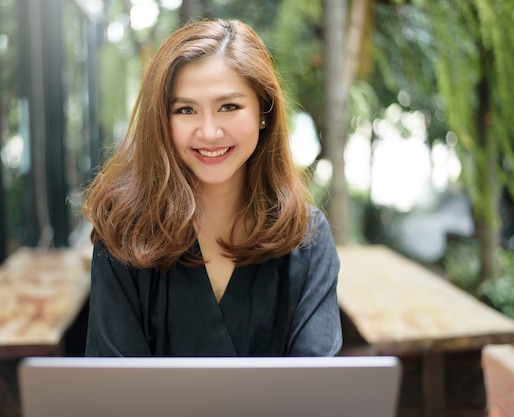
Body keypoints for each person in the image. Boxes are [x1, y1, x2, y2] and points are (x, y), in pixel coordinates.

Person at [81, 18, 342, 357]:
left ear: (264, 111)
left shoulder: (307, 239)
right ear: (162, 119)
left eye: (228, 107)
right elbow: (114, 396)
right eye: (186, 110)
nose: (208, 131)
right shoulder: (124, 234)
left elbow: (317, 394)